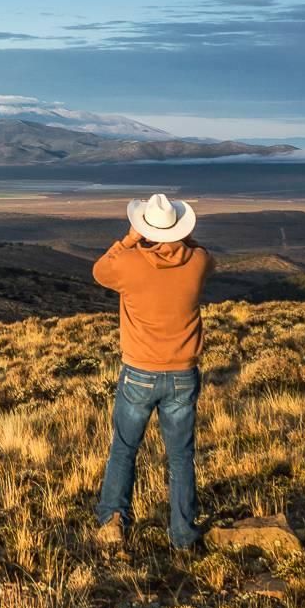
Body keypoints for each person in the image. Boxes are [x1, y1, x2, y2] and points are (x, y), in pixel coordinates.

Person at [89, 192, 214, 551]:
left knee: (124, 449)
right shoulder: (198, 262)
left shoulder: (129, 264)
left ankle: (113, 520)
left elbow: (99, 271)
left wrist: (129, 238)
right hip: (183, 374)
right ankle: (183, 534)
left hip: (139, 372)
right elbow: (205, 255)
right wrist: (182, 239)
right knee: (180, 455)